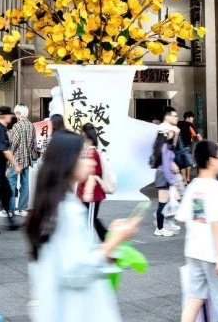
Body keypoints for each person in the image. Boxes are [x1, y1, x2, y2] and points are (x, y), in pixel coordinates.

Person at [26, 131, 140, 322]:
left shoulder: (52, 206)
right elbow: (76, 271)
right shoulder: (67, 211)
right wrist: (114, 241)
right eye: (82, 156)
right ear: (68, 161)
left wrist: (111, 244)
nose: (90, 162)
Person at [176, 140, 218, 322]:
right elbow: (216, 221)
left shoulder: (193, 186)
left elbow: (182, 217)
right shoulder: (217, 188)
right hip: (213, 255)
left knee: (195, 299)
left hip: (194, 251)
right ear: (212, 160)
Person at [75, 123, 107, 241]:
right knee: (89, 218)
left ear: (85, 134)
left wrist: (88, 193)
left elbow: (93, 174)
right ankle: (105, 238)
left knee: (90, 219)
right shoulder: (88, 150)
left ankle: (96, 242)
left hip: (92, 192)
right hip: (87, 192)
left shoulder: (91, 151)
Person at [5, 104, 36, 217]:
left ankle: (10, 209)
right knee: (25, 183)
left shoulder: (17, 126)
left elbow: (13, 144)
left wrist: (9, 158)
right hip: (27, 159)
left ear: (18, 113)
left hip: (16, 159)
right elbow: (33, 143)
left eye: (16, 113)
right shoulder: (31, 125)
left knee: (11, 183)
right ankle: (22, 209)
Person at [151, 130, 180, 237]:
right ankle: (160, 228)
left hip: (163, 175)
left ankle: (164, 225)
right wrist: (172, 181)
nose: (172, 133)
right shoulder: (165, 147)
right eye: (170, 132)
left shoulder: (164, 146)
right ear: (166, 134)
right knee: (162, 204)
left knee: (165, 203)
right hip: (164, 175)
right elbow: (166, 167)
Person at [177, 111, 201, 184]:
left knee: (181, 164)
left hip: (178, 147)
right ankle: (188, 178)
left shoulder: (178, 123)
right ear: (188, 118)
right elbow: (197, 135)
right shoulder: (190, 124)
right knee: (187, 163)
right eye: (192, 118)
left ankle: (184, 180)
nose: (192, 119)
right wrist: (202, 144)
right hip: (187, 146)